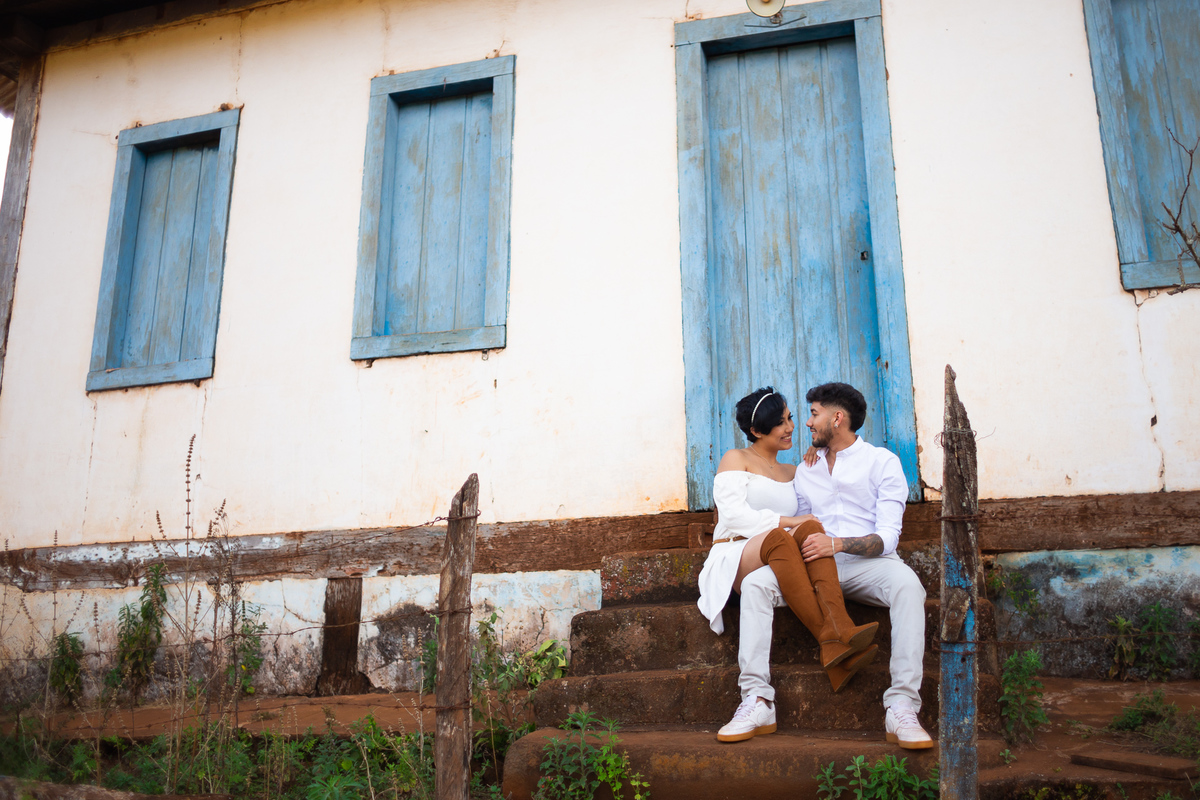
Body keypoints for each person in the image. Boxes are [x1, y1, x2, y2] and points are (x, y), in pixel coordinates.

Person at [697, 387, 880, 744]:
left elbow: (811, 508)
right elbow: (734, 517)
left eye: (790, 418)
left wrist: (821, 449)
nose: (790, 427)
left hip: (777, 552)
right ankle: (829, 635)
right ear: (756, 431)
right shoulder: (735, 459)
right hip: (735, 551)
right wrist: (789, 522)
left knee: (812, 528)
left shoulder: (794, 468)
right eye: (779, 423)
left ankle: (840, 629)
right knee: (787, 533)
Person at [792, 382, 932, 750]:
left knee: (908, 586)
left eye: (814, 413)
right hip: (817, 568)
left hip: (870, 565)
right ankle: (756, 699)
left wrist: (836, 544)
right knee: (758, 585)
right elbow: (799, 520)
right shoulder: (806, 468)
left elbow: (887, 538)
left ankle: (901, 706)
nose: (808, 422)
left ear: (837, 418)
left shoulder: (882, 462)